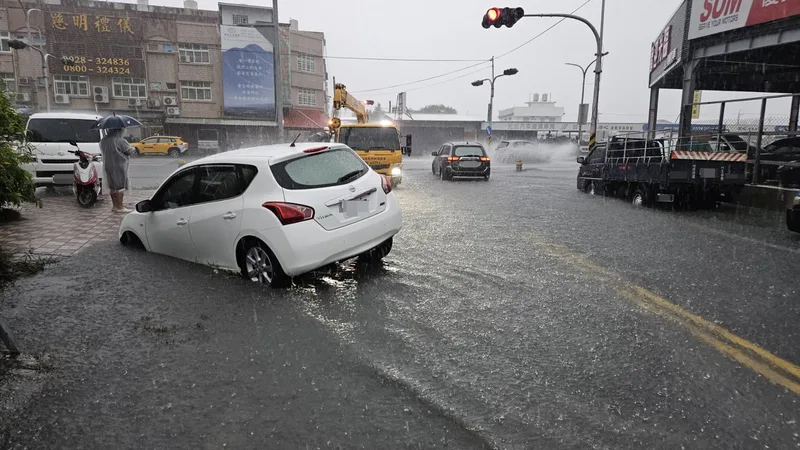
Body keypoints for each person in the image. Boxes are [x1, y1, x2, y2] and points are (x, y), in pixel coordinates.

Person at [100, 127, 136, 213]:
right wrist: (133, 148)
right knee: (120, 186)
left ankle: (115, 206)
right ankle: (120, 206)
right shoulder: (120, 140)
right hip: (119, 165)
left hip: (108, 165)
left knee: (112, 186)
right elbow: (129, 151)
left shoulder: (104, 141)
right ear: (118, 130)